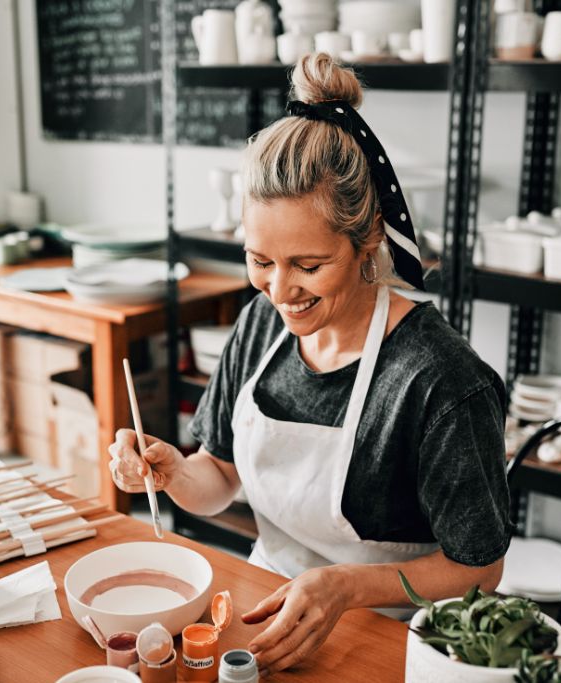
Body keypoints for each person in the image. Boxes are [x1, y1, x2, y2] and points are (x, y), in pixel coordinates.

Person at [108, 53, 511, 675]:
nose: (279, 291)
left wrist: (345, 587)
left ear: (368, 238)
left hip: (398, 636)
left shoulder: (440, 380)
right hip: (268, 608)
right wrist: (173, 473)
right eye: (260, 260)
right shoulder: (261, 324)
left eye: (308, 265)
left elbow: (479, 569)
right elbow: (218, 478)